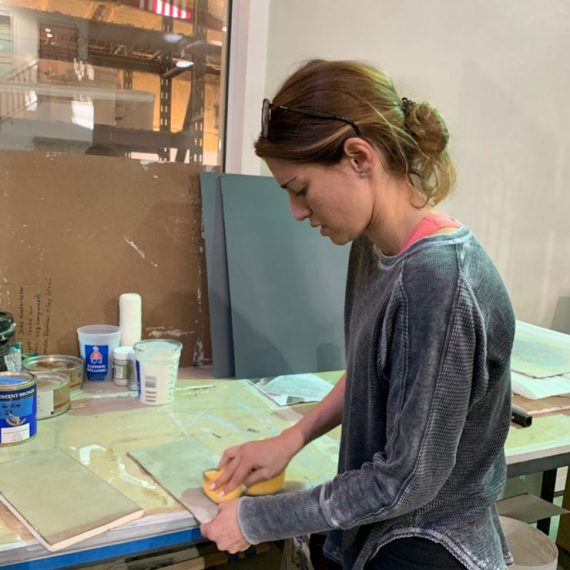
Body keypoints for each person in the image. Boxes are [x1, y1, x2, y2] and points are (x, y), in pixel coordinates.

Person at [200, 59, 515, 570]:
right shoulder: (375, 247)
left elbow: (405, 480)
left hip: (430, 543)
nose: (297, 212)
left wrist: (257, 520)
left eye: (300, 189)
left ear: (359, 158)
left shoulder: (437, 281)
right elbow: (375, 372)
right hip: (382, 527)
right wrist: (291, 439)